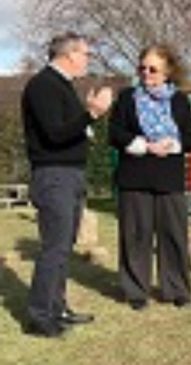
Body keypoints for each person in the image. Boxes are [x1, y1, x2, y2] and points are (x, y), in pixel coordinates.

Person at [22, 32, 113, 337]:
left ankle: (57, 307)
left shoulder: (62, 86)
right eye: (86, 53)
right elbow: (54, 134)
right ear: (69, 55)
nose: (88, 59)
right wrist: (92, 113)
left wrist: (86, 116)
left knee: (64, 248)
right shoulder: (43, 85)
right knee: (55, 249)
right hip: (54, 175)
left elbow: (71, 131)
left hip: (70, 174)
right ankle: (40, 316)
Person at [109, 45, 191, 310]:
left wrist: (171, 144)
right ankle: (136, 291)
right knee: (136, 236)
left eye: (152, 69)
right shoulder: (127, 98)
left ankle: (177, 289)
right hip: (134, 177)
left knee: (174, 236)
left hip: (169, 178)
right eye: (142, 68)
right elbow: (114, 134)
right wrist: (144, 145)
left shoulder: (180, 100)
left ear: (168, 71)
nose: (146, 73)